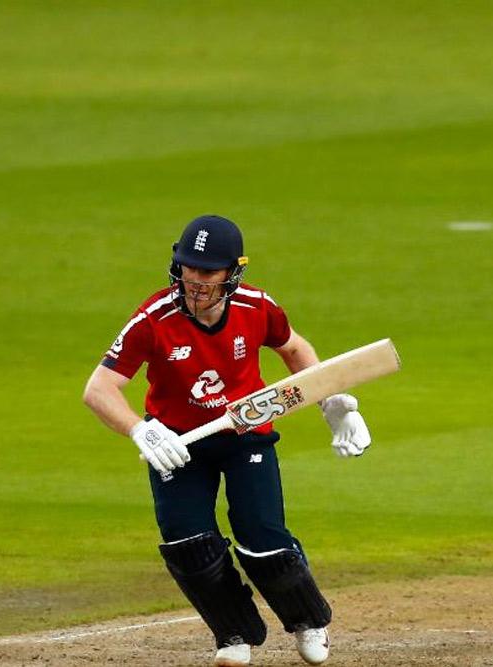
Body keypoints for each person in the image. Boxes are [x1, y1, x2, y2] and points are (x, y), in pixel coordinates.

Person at [82, 215, 372, 665]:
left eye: (208, 271)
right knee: (187, 545)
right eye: (189, 267)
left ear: (233, 272)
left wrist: (329, 403)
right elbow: (99, 389)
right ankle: (234, 633)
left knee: (262, 539)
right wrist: (140, 428)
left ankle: (307, 620)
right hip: (178, 443)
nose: (196, 280)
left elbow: (294, 348)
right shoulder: (153, 319)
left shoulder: (257, 307)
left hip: (245, 434)